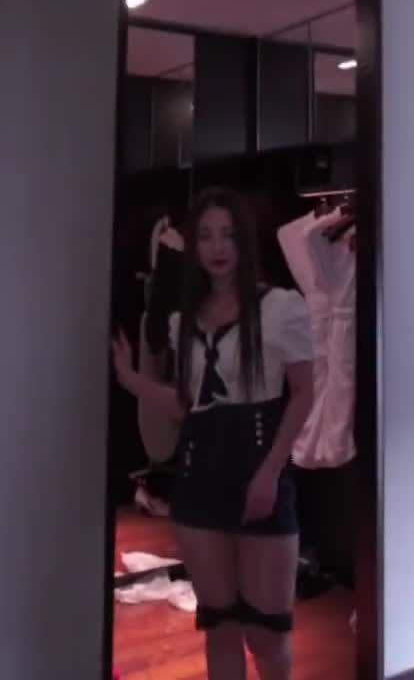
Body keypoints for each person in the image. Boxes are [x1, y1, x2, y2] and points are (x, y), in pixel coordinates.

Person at [112, 187, 316, 680]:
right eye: (205, 236)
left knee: (266, 636)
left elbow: (305, 393)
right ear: (194, 246)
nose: (217, 247)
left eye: (227, 234)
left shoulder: (280, 307)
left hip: (259, 475)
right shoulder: (184, 319)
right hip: (198, 481)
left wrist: (270, 472)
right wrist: (131, 380)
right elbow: (189, 406)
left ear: (244, 240)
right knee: (220, 626)